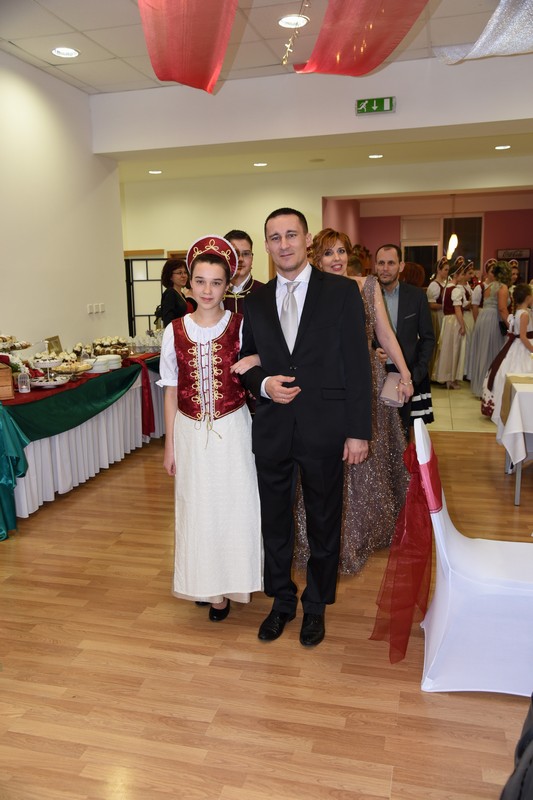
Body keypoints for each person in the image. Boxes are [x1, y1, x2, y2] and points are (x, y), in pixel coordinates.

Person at [239, 208, 372, 647]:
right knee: (274, 523)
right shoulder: (256, 301)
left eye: (291, 235)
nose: (284, 244)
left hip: (325, 426)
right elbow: (246, 361)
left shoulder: (341, 292)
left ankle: (316, 604)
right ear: (267, 245)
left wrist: (358, 431)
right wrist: (264, 384)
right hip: (273, 428)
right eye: (275, 237)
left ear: (307, 239)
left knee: (323, 521)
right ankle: (282, 601)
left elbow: (357, 364)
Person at [294, 228, 411, 575]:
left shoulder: (367, 286)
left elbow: (385, 334)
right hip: (326, 384)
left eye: (341, 252)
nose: (337, 259)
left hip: (367, 382)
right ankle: (327, 537)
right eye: (328, 253)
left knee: (369, 465)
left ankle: (363, 533)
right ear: (317, 259)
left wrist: (404, 372)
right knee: (330, 460)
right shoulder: (310, 290)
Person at [159, 235, 263, 622]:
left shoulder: (240, 325)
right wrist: (170, 446)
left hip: (234, 428)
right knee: (197, 508)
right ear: (189, 283)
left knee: (235, 505)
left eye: (216, 282)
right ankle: (206, 586)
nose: (207, 290)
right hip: (189, 431)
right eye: (200, 281)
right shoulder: (174, 330)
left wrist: (256, 357)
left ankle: (234, 582)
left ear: (227, 285)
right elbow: (171, 391)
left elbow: (267, 360)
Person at [374, 244, 435, 438]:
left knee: (403, 434)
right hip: (375, 375)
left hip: (405, 375)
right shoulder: (364, 296)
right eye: (381, 263)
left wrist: (416, 374)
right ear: (375, 266)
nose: (385, 268)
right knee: (376, 434)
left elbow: (428, 339)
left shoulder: (416, 296)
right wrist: (372, 351)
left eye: (391, 263)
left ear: (401, 266)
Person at [481, 283, 533, 421]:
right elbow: (523, 337)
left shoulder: (520, 312)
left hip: (515, 346)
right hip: (523, 348)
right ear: (528, 297)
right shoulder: (524, 314)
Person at [469, 261, 512, 397]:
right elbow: (502, 308)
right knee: (493, 353)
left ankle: (480, 386)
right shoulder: (502, 287)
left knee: (484, 352)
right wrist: (511, 326)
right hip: (493, 319)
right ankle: (488, 388)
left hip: (483, 318)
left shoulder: (490, 286)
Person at [432, 264, 469, 389]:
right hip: (454, 321)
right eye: (462, 274)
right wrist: (462, 325)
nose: (463, 276)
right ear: (456, 275)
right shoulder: (455, 290)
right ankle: (451, 378)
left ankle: (447, 376)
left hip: (447, 320)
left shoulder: (446, 288)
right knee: (454, 348)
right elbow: (457, 309)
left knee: (447, 348)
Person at [223, 229, 264, 314]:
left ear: (252, 258)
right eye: (235, 253)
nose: (240, 259)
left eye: (246, 254)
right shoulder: (215, 293)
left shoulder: (265, 293)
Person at [426, 256, 449, 377]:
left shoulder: (445, 284)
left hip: (444, 316)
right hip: (437, 316)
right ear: (438, 270)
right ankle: (434, 372)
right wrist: (446, 306)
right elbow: (431, 305)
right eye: (445, 270)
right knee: (437, 342)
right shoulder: (434, 286)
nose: (447, 272)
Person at [160, 259, 195, 327]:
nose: (184, 276)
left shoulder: (181, 294)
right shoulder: (170, 293)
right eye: (179, 273)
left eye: (185, 272)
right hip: (177, 332)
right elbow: (168, 321)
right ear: (170, 276)